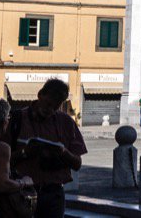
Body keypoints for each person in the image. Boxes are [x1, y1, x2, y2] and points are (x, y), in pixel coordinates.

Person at [5, 77, 88, 218]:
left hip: (54, 193)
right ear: (40, 94)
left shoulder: (66, 123)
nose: (50, 110)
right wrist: (25, 152)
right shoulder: (17, 119)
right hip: (23, 192)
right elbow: (3, 160)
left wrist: (63, 152)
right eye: (48, 104)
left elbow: (77, 164)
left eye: (55, 107)